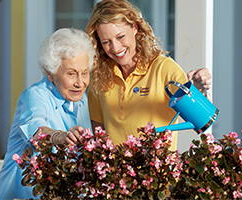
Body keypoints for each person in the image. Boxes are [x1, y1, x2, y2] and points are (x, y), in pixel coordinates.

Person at [85, 0, 212, 150]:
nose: (115, 48)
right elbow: (99, 133)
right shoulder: (100, 77)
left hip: (157, 171)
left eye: (120, 37)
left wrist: (198, 88)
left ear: (135, 28)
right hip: (115, 172)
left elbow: (202, 119)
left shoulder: (164, 69)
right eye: (106, 42)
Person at [0, 28, 95, 199]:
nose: (80, 82)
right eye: (71, 73)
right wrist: (60, 137)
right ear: (50, 73)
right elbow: (36, 132)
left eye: (84, 73)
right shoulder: (35, 95)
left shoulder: (82, 100)